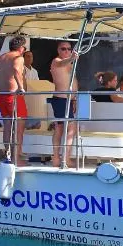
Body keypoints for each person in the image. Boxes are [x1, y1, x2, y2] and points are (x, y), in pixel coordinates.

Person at [0, 35, 30, 163]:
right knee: (19, 126)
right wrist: (21, 87)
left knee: (7, 125)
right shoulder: (18, 57)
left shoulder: (1, 58)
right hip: (13, 95)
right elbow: (16, 70)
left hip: (0, 95)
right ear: (21, 48)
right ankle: (16, 159)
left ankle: (9, 156)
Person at [48, 40, 78, 169]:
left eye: (68, 49)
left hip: (68, 100)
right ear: (58, 50)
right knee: (69, 128)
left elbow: (72, 82)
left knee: (61, 128)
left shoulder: (70, 64)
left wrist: (74, 99)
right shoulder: (56, 61)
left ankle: (58, 158)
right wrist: (71, 58)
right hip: (61, 100)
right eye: (63, 49)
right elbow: (61, 62)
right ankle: (62, 158)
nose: (66, 51)